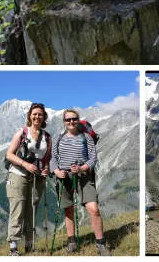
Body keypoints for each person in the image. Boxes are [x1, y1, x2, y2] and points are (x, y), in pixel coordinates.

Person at [50, 109, 110, 256]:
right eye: (68, 119)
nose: (71, 122)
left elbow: (93, 158)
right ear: (64, 122)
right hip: (63, 177)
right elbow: (53, 159)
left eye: (74, 119)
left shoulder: (86, 137)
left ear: (78, 120)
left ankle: (101, 244)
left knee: (94, 209)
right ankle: (71, 242)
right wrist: (56, 171)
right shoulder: (58, 138)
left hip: (83, 176)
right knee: (68, 209)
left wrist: (82, 168)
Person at [5, 102, 52, 256]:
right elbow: (9, 154)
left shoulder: (47, 137)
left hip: (37, 177)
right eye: (34, 114)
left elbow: (47, 158)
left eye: (40, 114)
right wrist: (25, 164)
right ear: (30, 116)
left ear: (44, 117)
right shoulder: (22, 132)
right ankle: (13, 247)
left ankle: (29, 245)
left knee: (31, 210)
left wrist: (46, 169)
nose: (37, 116)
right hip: (18, 175)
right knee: (17, 209)